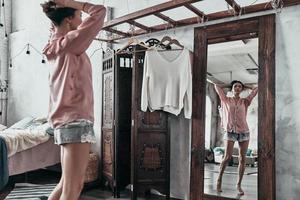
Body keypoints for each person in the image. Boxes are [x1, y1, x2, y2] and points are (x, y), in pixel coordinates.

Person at [41, 0, 106, 199]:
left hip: (65, 121)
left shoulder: (54, 44)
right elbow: (99, 11)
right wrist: (68, 3)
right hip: (76, 120)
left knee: (65, 185)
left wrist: (62, 8)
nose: (82, 18)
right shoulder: (70, 42)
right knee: (73, 189)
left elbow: (55, 26)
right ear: (69, 19)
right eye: (79, 15)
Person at [214, 80, 258, 195]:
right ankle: (219, 179)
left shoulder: (245, 101)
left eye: (239, 87)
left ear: (241, 89)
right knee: (227, 157)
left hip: (244, 132)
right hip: (230, 131)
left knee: (242, 159)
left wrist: (246, 85)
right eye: (235, 86)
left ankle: (238, 185)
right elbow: (217, 85)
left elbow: (257, 89)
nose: (237, 88)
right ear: (232, 88)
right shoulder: (226, 100)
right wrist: (229, 85)